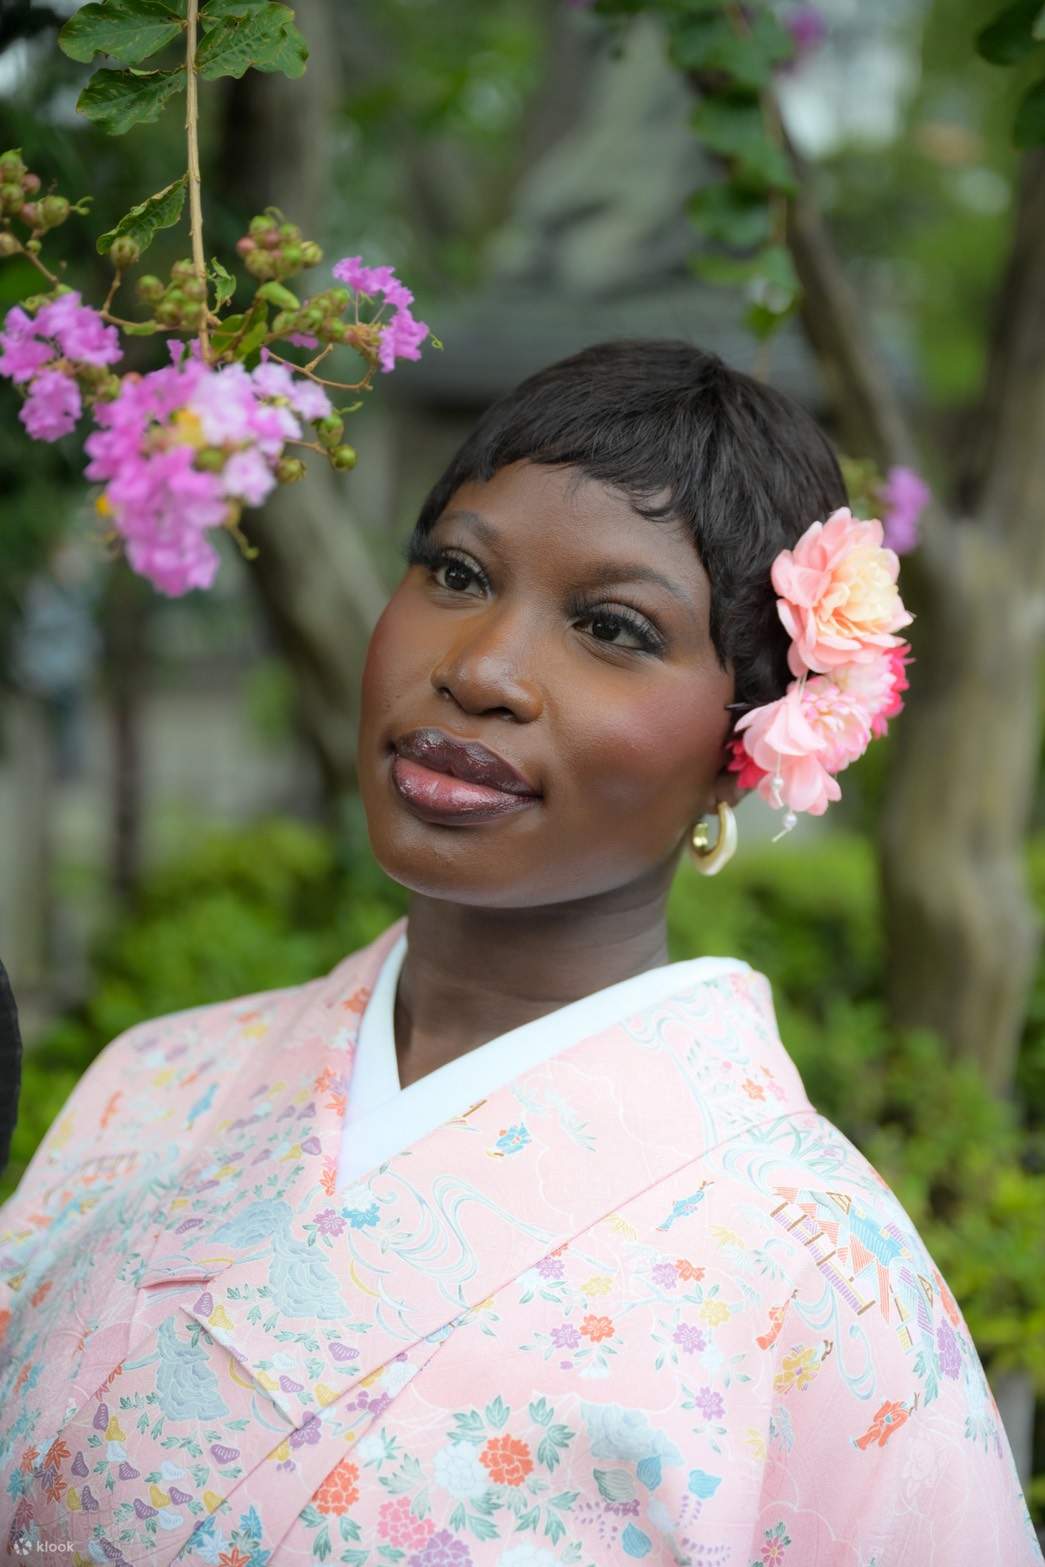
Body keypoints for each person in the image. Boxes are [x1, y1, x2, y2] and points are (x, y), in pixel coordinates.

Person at [0, 341, 1038, 1566]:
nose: (482, 670)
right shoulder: (163, 1079)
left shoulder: (815, 1277)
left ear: (748, 737)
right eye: (455, 571)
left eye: (611, 626)